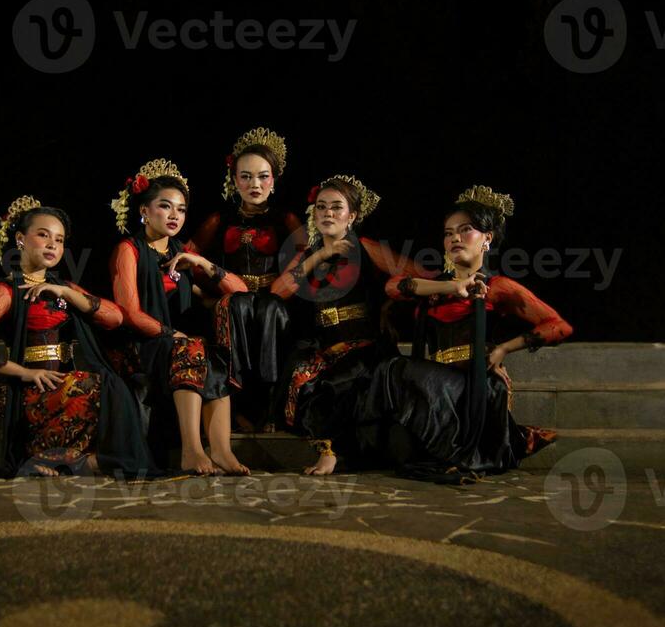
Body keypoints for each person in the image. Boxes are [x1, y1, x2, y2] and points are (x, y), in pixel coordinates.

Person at [370, 185, 574, 483]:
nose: (454, 238)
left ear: (487, 239)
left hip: (473, 384)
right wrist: (452, 286)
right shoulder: (434, 284)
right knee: (398, 434)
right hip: (436, 381)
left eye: (465, 230)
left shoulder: (498, 286)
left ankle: (458, 452)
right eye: (448, 232)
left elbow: (558, 326)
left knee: (394, 368)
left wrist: (504, 349)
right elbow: (395, 286)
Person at [0, 196, 158, 477]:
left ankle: (60, 459)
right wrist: (22, 372)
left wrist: (67, 293)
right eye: (43, 235)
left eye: (59, 240)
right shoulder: (6, 291)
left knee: (116, 379)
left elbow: (116, 317)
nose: (52, 245)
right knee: (91, 385)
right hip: (24, 391)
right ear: (21, 239)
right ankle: (50, 456)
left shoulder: (62, 287)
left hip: (60, 385)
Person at [269, 174, 424, 475]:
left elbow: (417, 276)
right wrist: (321, 255)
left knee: (338, 382)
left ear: (351, 216)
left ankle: (333, 451)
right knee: (300, 380)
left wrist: (390, 304)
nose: (328, 213)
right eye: (321, 207)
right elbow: (277, 292)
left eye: (336, 207)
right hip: (325, 344)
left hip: (363, 343)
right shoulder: (308, 254)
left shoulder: (364, 247)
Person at [108, 158, 252, 476]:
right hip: (141, 344)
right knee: (192, 349)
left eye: (182, 209)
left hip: (178, 345)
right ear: (144, 211)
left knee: (214, 355)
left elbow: (239, 290)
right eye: (165, 206)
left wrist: (198, 262)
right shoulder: (128, 249)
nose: (175, 215)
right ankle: (191, 450)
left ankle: (222, 450)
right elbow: (129, 312)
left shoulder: (181, 253)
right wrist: (168, 333)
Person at [187, 126, 302, 431]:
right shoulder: (218, 219)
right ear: (234, 180)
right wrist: (202, 293)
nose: (255, 184)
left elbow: (307, 257)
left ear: (274, 180)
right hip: (233, 299)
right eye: (246, 176)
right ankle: (237, 405)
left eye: (263, 176)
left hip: (273, 300)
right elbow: (187, 257)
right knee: (236, 305)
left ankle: (270, 405)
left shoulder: (285, 219)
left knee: (269, 309)